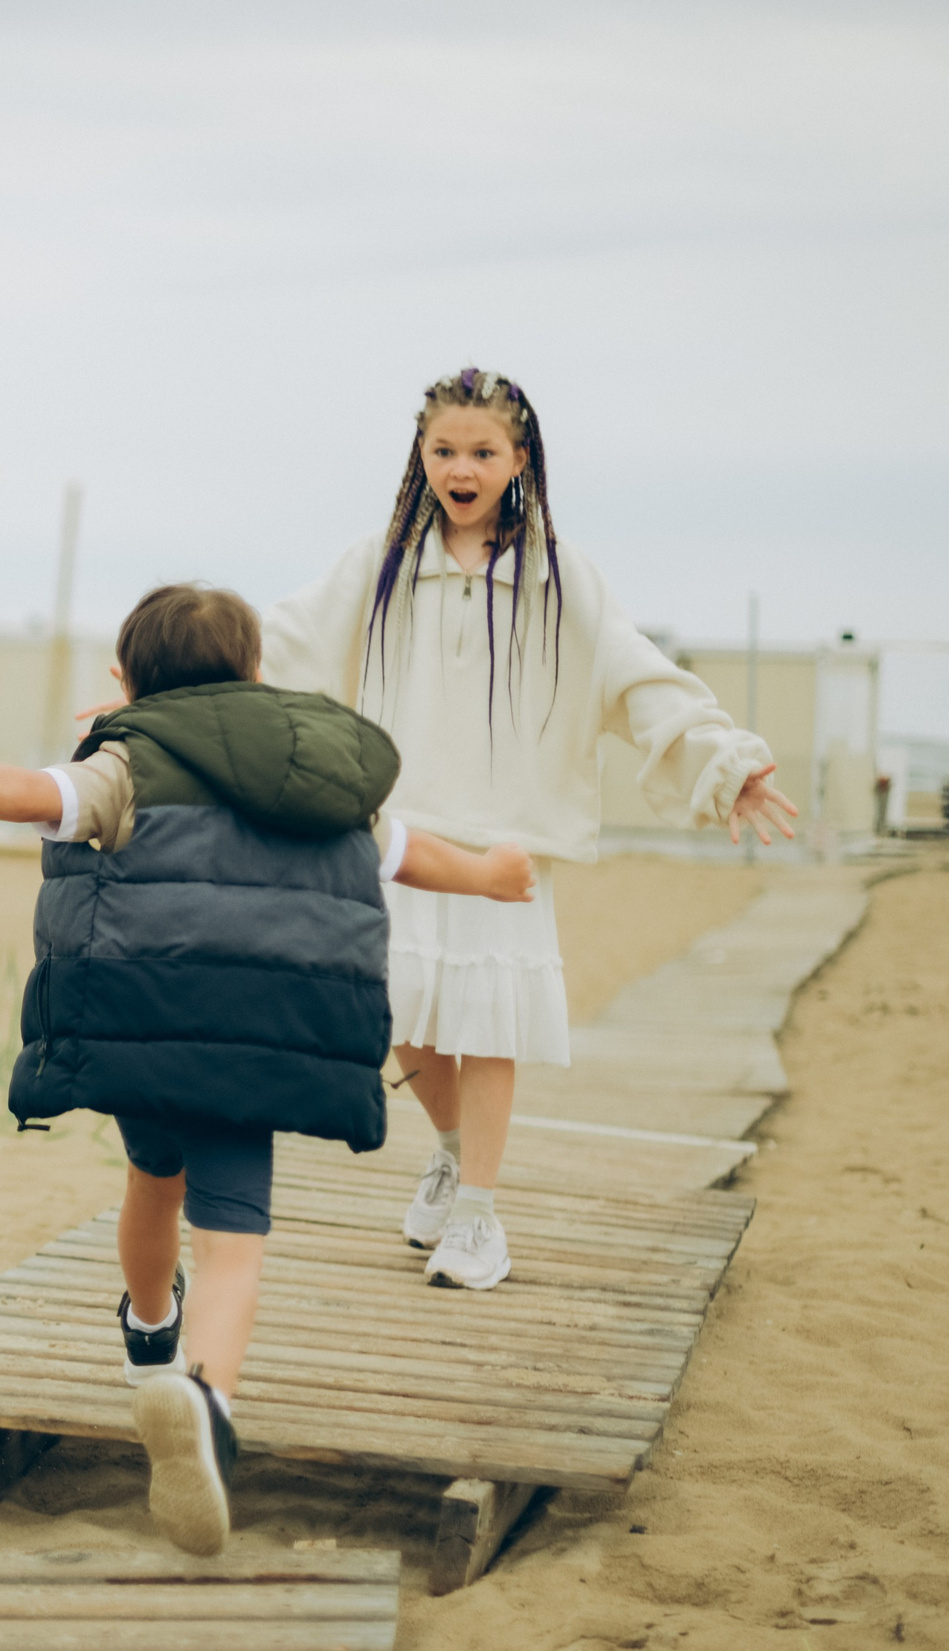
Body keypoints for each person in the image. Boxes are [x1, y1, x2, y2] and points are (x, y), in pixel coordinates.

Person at [0, 581, 534, 1555]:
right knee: (233, 1247)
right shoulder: (319, 779)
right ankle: (206, 1399)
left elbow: (24, 793)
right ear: (253, 674)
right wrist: (494, 876)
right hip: (263, 1042)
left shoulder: (122, 765)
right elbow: (407, 853)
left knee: (151, 1184)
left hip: (144, 1025)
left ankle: (148, 1334)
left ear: (128, 681)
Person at [264, 368, 800, 1293]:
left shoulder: (560, 579)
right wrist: (168, 679)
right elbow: (283, 641)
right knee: (394, 1012)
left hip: (507, 841)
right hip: (399, 834)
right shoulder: (381, 564)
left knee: (486, 1026)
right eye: (443, 450)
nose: (460, 468)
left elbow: (638, 679)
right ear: (420, 457)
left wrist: (725, 759)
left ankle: (478, 1217)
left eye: (481, 451)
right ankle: (448, 1150)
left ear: (519, 460)